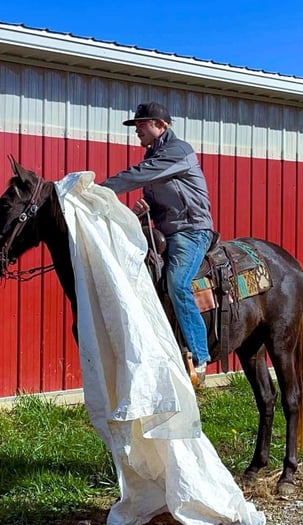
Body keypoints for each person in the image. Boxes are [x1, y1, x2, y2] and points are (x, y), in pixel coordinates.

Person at [101, 102, 214, 385]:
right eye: (136, 126)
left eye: (142, 124)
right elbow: (161, 192)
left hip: (191, 231)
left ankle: (200, 357)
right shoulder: (157, 155)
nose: (137, 130)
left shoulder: (177, 151)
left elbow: (139, 175)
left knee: (177, 283)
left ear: (161, 126)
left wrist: (98, 189)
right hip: (166, 230)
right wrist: (145, 207)